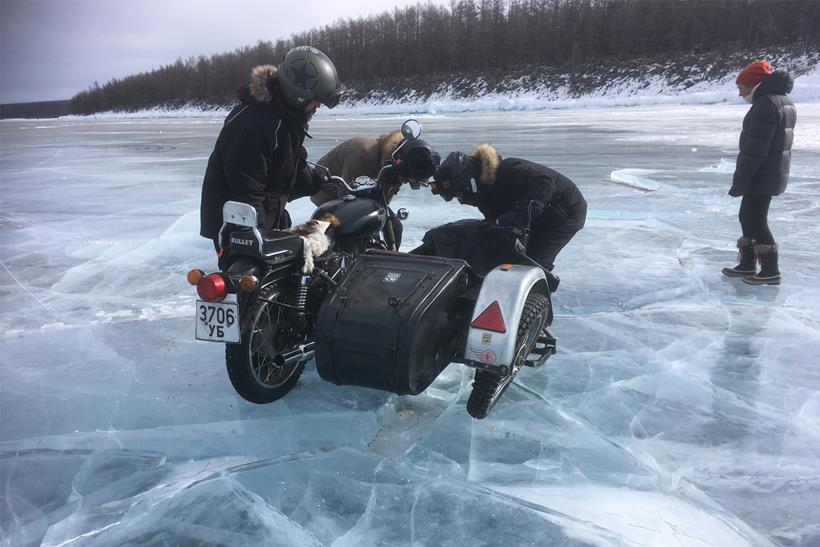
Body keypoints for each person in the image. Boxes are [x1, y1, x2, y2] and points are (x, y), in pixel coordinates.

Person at [199, 46, 344, 262]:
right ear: (298, 94)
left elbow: (291, 163)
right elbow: (247, 188)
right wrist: (256, 240)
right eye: (317, 99)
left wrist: (318, 181)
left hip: (266, 215)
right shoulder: (255, 124)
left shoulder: (284, 117)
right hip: (236, 228)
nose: (319, 105)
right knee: (258, 290)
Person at [427, 143, 587, 272]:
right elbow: (495, 223)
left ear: (469, 184)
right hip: (541, 213)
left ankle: (535, 303)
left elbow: (545, 183)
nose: (461, 200)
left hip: (565, 211)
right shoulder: (485, 195)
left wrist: (519, 215)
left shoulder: (509, 169)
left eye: (459, 194)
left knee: (534, 263)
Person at [722, 60, 796, 285]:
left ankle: (771, 269)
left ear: (753, 84)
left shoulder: (766, 104)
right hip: (770, 171)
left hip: (761, 172)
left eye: (741, 87)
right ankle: (747, 263)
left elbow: (756, 148)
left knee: (755, 219)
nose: (739, 92)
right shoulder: (780, 100)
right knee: (748, 216)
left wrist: (742, 179)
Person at [311, 130, 440, 250]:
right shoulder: (362, 156)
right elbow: (346, 199)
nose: (405, 182)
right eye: (407, 179)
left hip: (362, 192)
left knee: (395, 226)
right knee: (353, 233)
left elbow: (382, 206)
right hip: (328, 191)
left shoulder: (394, 166)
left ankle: (391, 260)